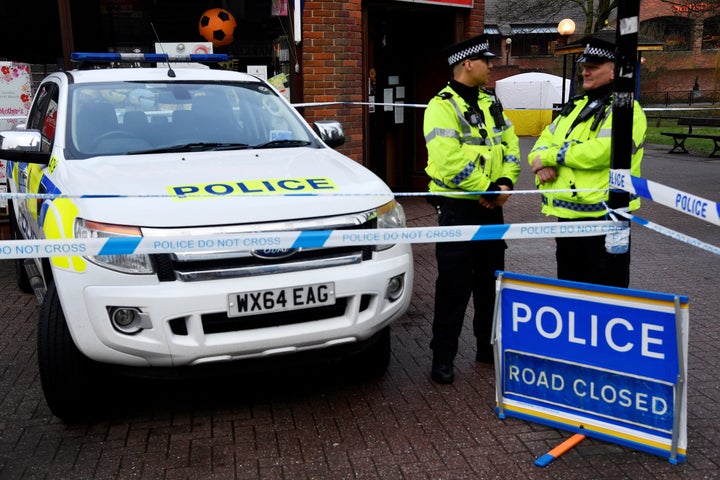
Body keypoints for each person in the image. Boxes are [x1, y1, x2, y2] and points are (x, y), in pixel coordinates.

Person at [423, 34, 521, 384]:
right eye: (486, 61)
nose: (491, 66)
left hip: (492, 207)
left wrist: (505, 184)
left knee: (490, 284)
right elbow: (448, 161)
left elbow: (509, 144)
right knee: (453, 286)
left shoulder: (491, 102)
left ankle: (486, 347)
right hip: (458, 210)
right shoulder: (441, 105)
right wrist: (488, 188)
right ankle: (443, 358)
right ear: (468, 63)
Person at [528, 29, 646, 288]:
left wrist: (551, 158)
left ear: (615, 70)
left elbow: (603, 152)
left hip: (605, 219)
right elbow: (540, 143)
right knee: (570, 294)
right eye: (584, 66)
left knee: (605, 296)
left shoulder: (628, 110)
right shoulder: (576, 106)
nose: (585, 72)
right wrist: (540, 162)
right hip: (567, 219)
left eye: (593, 66)